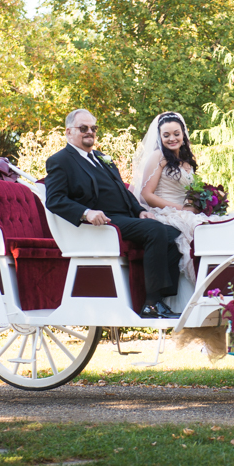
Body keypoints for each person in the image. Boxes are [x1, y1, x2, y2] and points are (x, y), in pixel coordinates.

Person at [45, 108, 182, 319]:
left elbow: (121, 189)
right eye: (83, 128)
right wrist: (86, 213)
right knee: (156, 231)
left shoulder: (101, 157)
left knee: (173, 234)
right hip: (103, 222)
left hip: (125, 217)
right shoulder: (60, 161)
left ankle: (162, 298)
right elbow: (54, 199)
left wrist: (139, 211)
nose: (89, 132)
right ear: (68, 132)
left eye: (93, 128)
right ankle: (151, 305)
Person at [130, 112, 229, 286]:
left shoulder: (186, 161)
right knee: (198, 231)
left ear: (183, 134)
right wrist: (181, 209)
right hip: (165, 212)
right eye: (166, 135)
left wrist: (206, 201)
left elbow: (190, 193)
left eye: (176, 133)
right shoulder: (158, 156)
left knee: (221, 226)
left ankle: (220, 282)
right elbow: (146, 195)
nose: (172, 138)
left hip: (186, 211)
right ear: (160, 137)